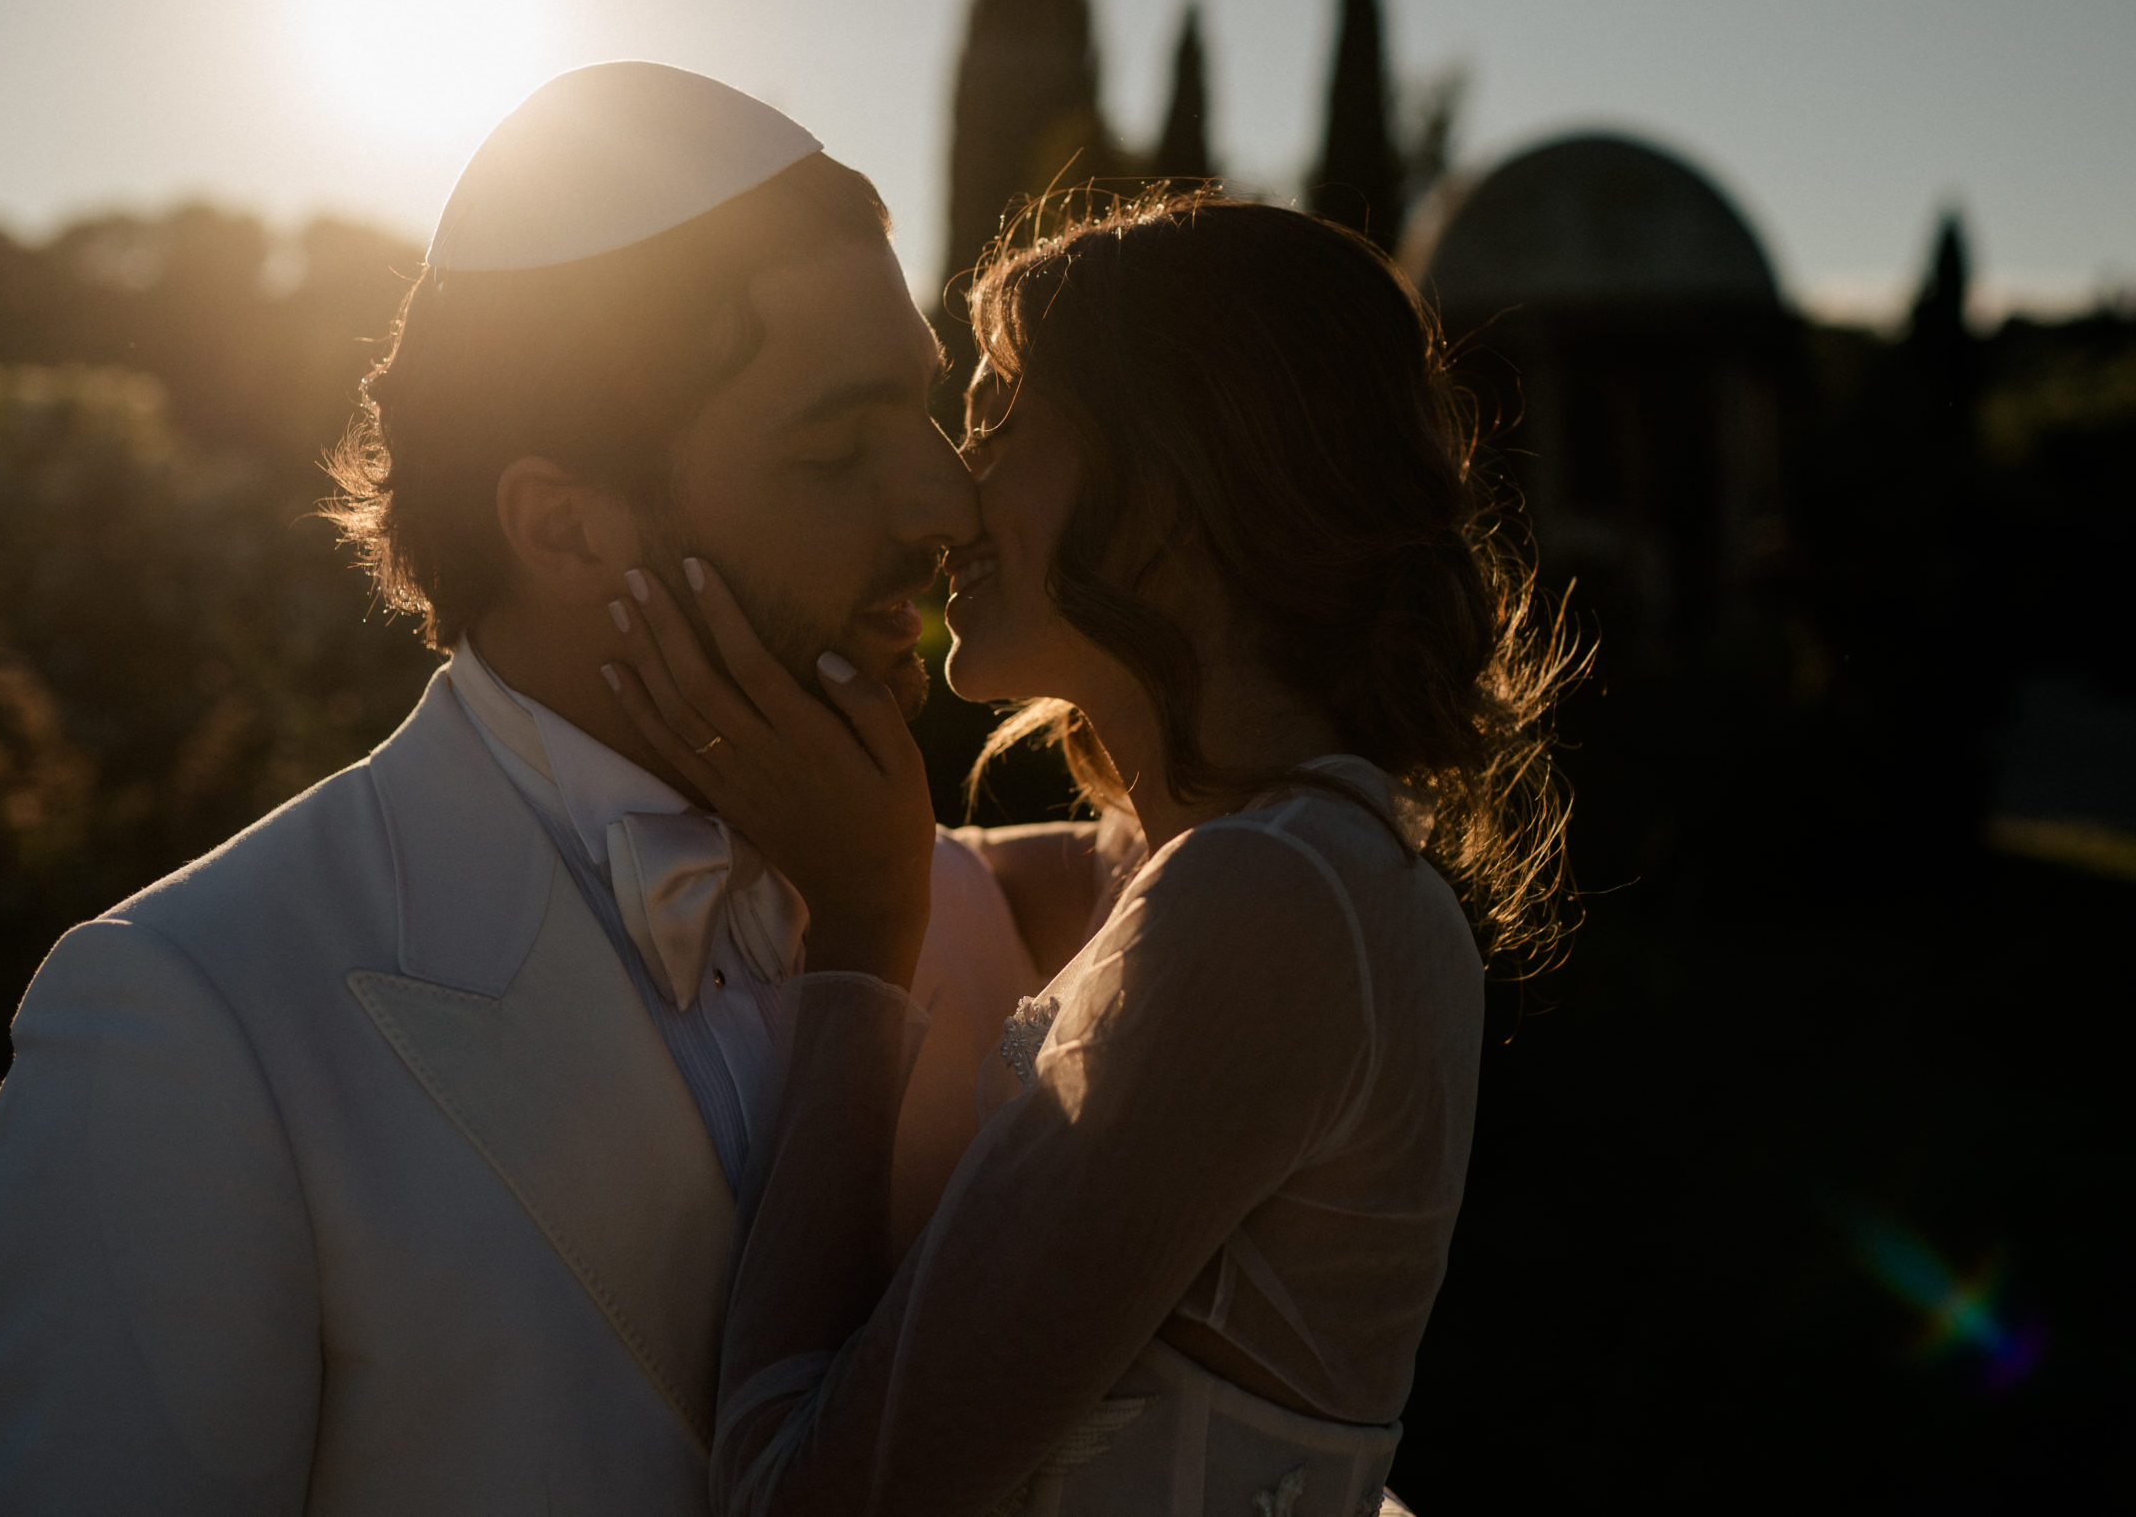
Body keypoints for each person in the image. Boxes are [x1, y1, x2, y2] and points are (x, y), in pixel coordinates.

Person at [0, 63, 1043, 1514]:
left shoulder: (945, 906)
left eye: (927, 406)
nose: (945, 502)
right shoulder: (194, 1017)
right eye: (838, 447)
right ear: (566, 530)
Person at [602, 192, 1577, 1515]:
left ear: (1175, 484)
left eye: (1003, 419)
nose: (953, 489)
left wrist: (863, 933)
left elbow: (804, 1499)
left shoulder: (1266, 905)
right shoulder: (1205, 864)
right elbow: (1018, 872)